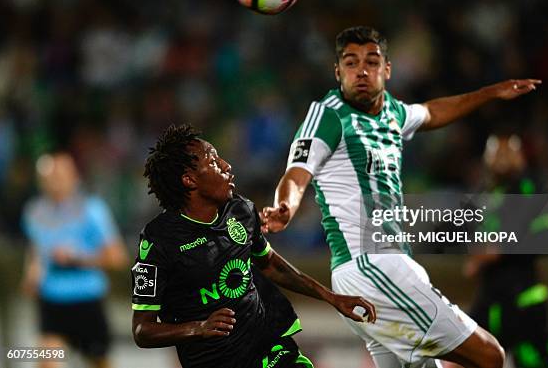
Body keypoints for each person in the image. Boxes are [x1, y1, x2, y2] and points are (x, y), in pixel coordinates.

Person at [260, 26, 541, 368]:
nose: (361, 70)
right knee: (490, 355)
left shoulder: (392, 113)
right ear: (338, 72)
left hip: (383, 270)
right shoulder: (327, 116)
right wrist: (285, 206)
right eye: (351, 63)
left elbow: (432, 112)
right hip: (370, 266)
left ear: (387, 70)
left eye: (372, 61)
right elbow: (297, 173)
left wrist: (491, 93)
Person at [131, 124, 376, 368]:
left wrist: (331, 298)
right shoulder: (158, 241)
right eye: (214, 161)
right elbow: (143, 330)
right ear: (189, 179)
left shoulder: (241, 210)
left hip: (269, 346)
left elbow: (270, 264)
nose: (227, 166)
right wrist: (198, 328)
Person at [461, 133, 548, 368]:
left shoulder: (529, 187)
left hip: (523, 295)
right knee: (466, 357)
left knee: (539, 361)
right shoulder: (484, 193)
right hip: (491, 295)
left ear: (521, 157)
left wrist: (495, 251)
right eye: (496, 152)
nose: (502, 159)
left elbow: (543, 238)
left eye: (509, 152)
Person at [21, 152, 128, 368]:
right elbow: (36, 248)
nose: (54, 181)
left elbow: (118, 257)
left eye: (60, 175)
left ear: (74, 177)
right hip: (51, 302)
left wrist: (77, 259)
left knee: (99, 362)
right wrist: (32, 272)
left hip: (86, 301)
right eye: (49, 176)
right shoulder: (34, 212)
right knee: (48, 362)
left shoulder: (92, 210)